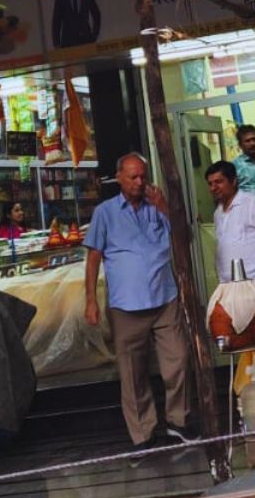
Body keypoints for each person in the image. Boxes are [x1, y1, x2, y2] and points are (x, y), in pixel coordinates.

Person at [83, 153, 194, 449]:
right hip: (126, 305)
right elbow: (93, 258)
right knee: (132, 373)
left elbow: (185, 239)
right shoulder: (105, 213)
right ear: (119, 178)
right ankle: (143, 434)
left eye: (143, 176)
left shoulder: (157, 206)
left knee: (179, 359)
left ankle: (178, 421)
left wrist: (165, 208)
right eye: (133, 176)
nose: (139, 182)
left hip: (164, 297)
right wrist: (90, 300)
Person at [206, 160, 255, 290]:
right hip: (231, 288)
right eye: (210, 184)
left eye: (219, 182)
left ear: (234, 181)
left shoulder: (252, 203)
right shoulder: (218, 213)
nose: (213, 188)